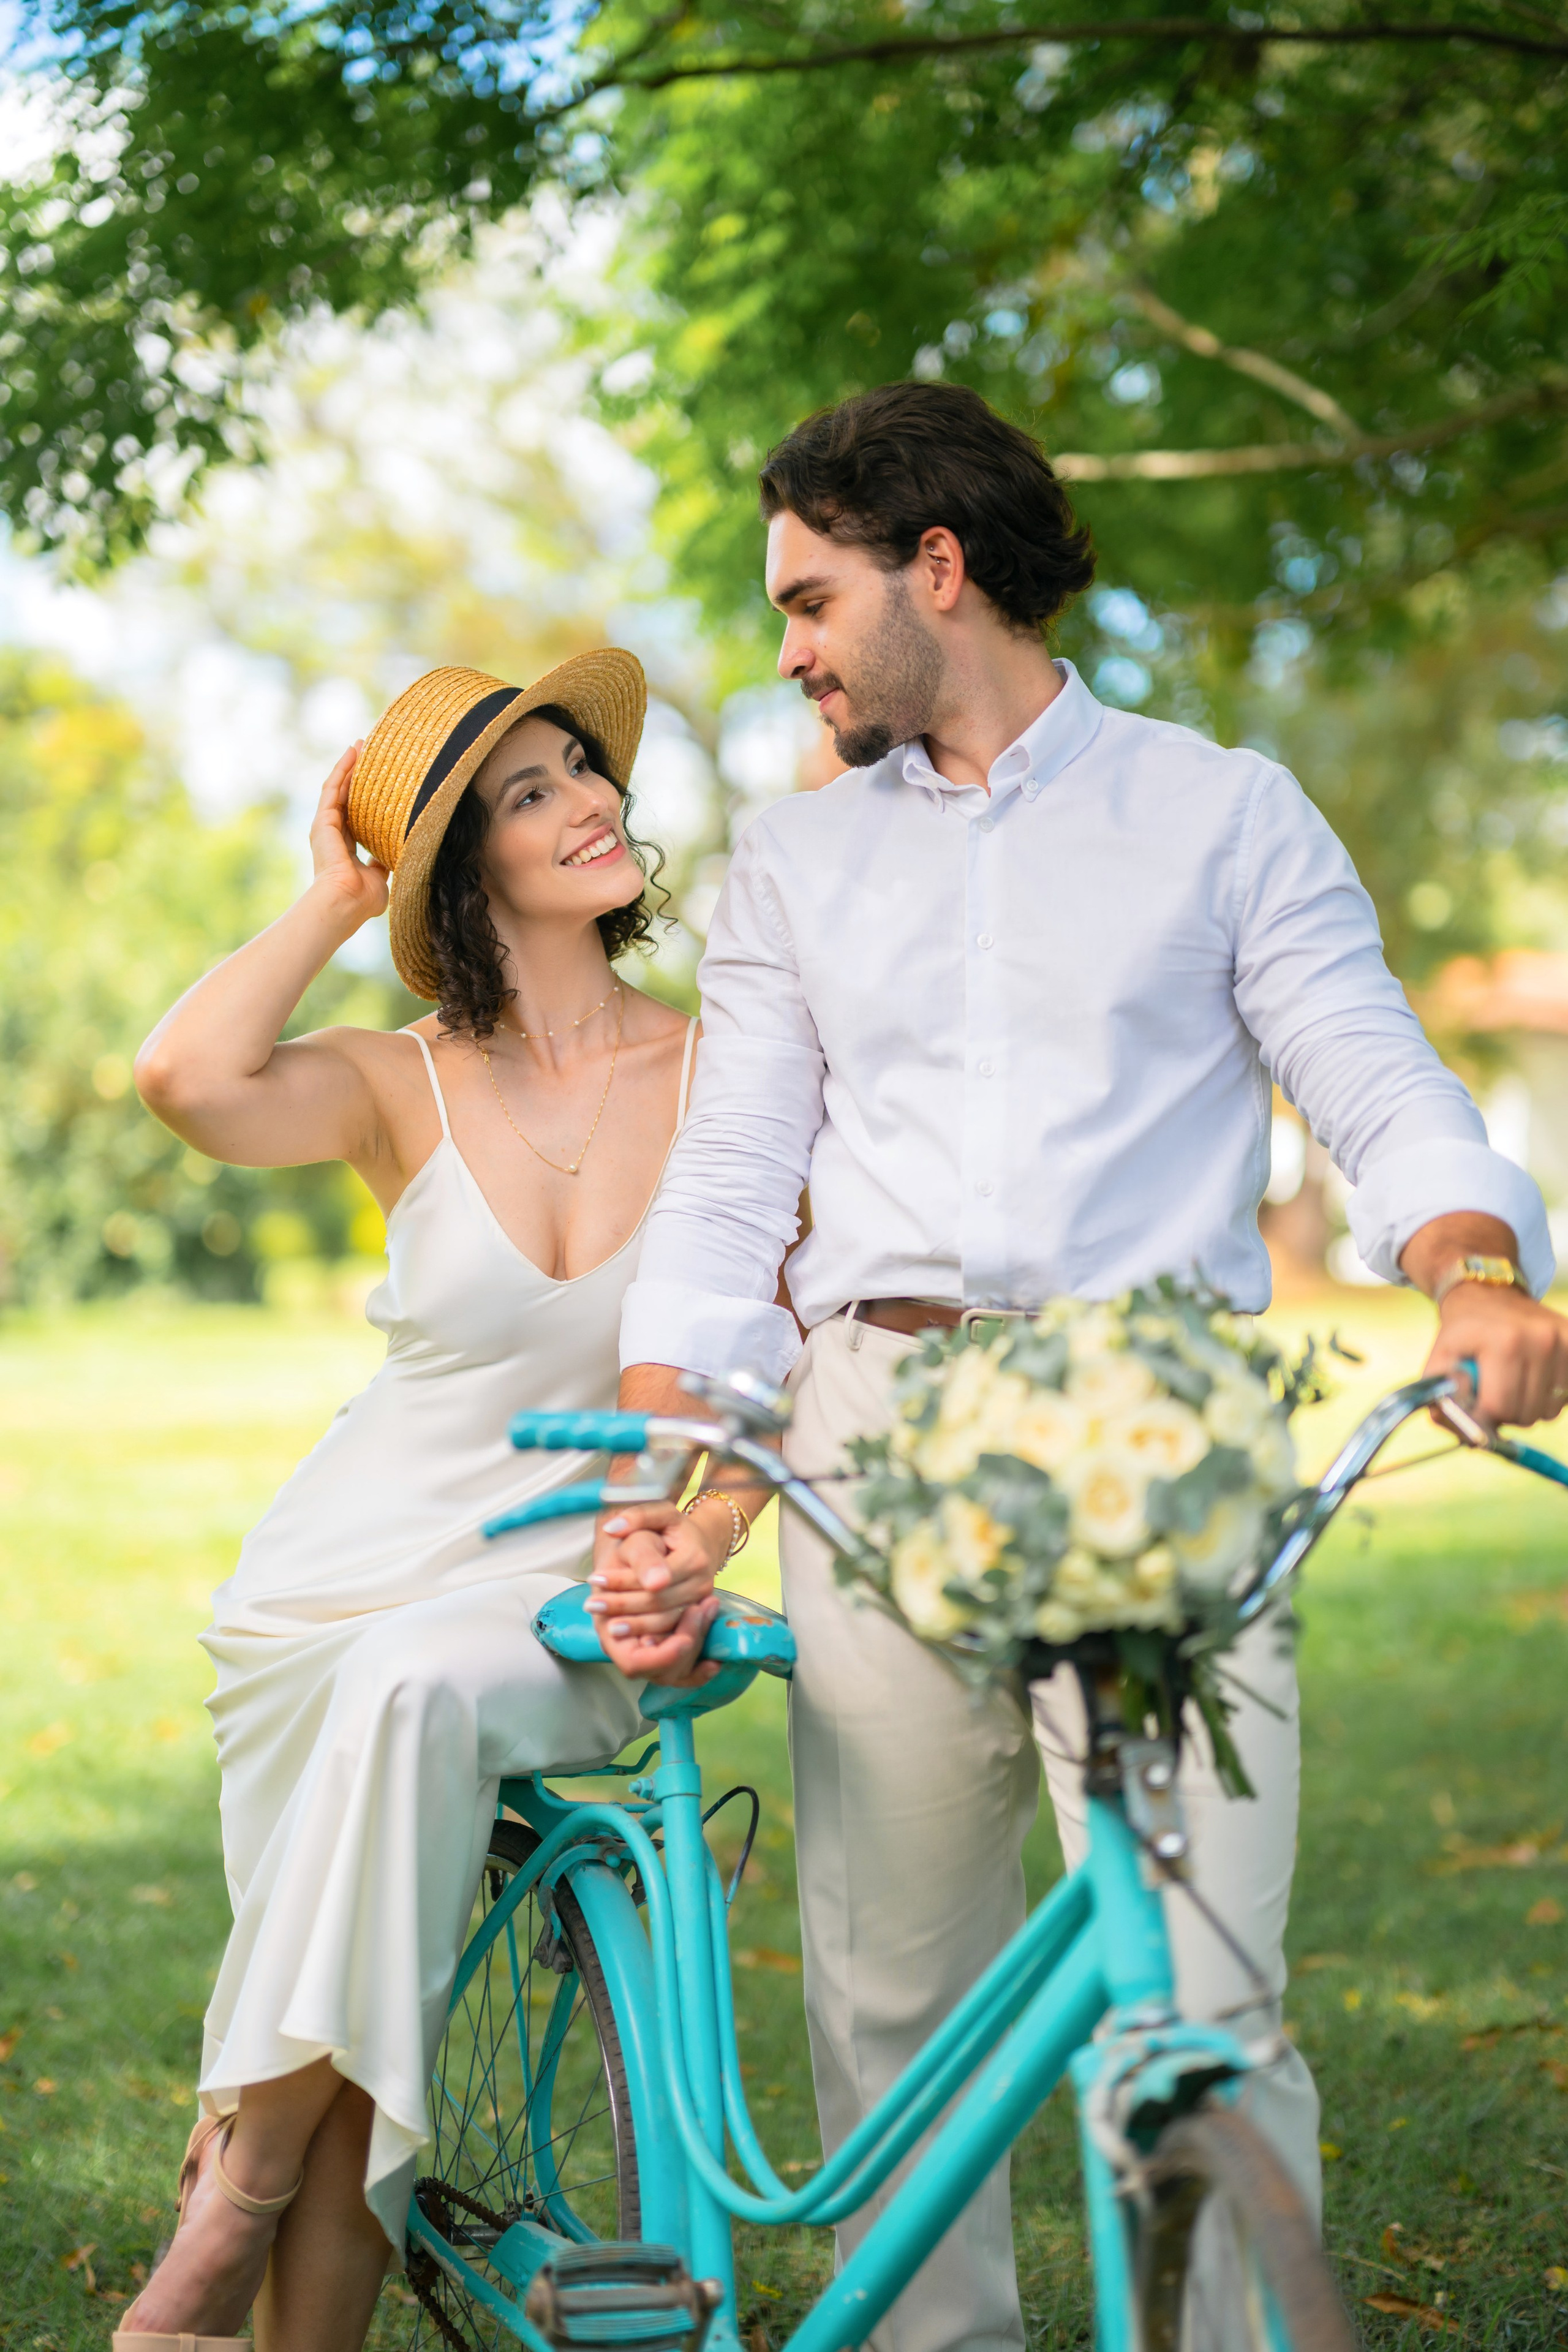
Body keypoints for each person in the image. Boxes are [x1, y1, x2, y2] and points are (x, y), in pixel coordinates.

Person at [590, 383, 1568, 2352]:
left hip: (1160, 1425)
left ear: (933, 568)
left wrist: (1473, 1269)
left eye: (807, 595)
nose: (786, 646)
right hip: (871, 1431)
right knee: (896, 1995)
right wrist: (669, 1474)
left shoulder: (1223, 811)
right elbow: (727, 1194)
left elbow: (1374, 1077)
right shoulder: (792, 864)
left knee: (1202, 1994)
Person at [119, 654, 727, 2352]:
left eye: (582, 770)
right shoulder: (401, 1078)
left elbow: (775, 1340)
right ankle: (265, 2239)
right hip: (329, 1595)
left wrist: (705, 1523)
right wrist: (329, 900)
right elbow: (186, 1078)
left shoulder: (723, 1070)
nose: (589, 798)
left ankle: (219, 2212)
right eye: (527, 793)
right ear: (465, 869)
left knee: (351, 1953)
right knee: (357, 2006)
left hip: (567, 1585)